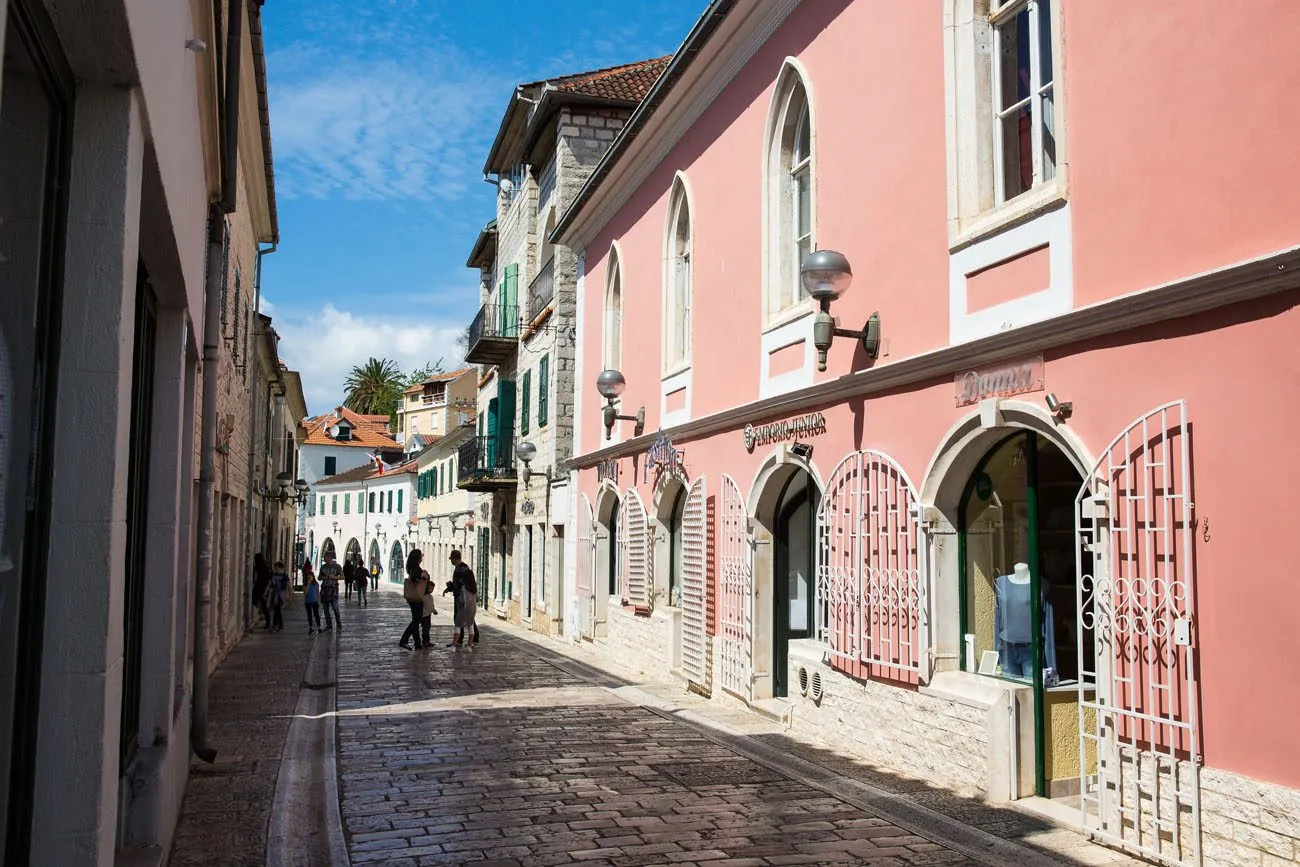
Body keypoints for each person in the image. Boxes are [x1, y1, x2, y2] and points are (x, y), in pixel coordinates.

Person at [449, 550, 479, 647]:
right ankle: (471, 639)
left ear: (454, 558)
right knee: (469, 619)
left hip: (462, 597)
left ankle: (459, 641)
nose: (451, 561)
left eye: (451, 559)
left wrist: (452, 587)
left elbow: (461, 583)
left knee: (459, 618)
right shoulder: (460, 567)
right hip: (462, 596)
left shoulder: (462, 568)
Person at [400, 550, 427, 649]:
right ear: (417, 558)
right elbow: (416, 578)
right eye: (421, 556)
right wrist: (423, 576)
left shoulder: (412, 567)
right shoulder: (416, 568)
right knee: (416, 620)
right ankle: (404, 640)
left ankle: (417, 642)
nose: (422, 558)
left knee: (415, 619)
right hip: (416, 597)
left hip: (413, 598)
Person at [319, 551, 343, 631]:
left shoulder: (337, 566)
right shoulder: (323, 567)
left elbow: (342, 577)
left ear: (330, 557)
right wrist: (323, 577)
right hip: (325, 589)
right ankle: (329, 625)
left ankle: (338, 623)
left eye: (325, 558)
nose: (325, 559)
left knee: (335, 608)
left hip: (333, 589)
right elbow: (319, 577)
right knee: (325, 609)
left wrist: (334, 577)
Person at [252, 553, 272, 630]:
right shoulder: (265, 568)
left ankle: (267, 621)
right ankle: (264, 618)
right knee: (262, 605)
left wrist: (265, 592)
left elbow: (268, 581)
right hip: (262, 588)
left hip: (261, 588)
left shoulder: (262, 568)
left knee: (263, 605)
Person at [270, 561, 290, 632]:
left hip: (282, 595)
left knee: (277, 610)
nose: (276, 570)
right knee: (277, 610)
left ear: (281, 568)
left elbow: (289, 585)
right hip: (275, 595)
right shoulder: (273, 575)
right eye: (275, 569)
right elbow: (270, 584)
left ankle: (275, 625)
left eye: (277, 568)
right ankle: (280, 625)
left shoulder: (285, 576)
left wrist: (289, 595)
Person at [303, 568, 322, 634]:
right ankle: (310, 627)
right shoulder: (305, 584)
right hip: (307, 602)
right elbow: (305, 593)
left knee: (316, 614)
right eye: (308, 577)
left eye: (310, 576)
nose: (309, 578)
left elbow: (318, 593)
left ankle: (319, 627)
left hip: (315, 602)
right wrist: (308, 584)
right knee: (309, 615)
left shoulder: (316, 584)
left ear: (313, 577)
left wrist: (319, 601)